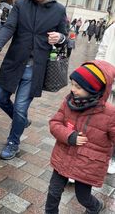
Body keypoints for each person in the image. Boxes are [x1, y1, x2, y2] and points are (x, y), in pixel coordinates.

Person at [0, 0, 67, 160]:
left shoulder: (58, 10)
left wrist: (60, 38)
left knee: (21, 107)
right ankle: (21, 121)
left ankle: (13, 142)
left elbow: (66, 38)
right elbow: (8, 28)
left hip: (35, 68)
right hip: (13, 63)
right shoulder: (21, 5)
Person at [45, 61, 115, 214]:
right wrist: (68, 135)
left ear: (93, 89)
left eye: (78, 86)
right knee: (53, 192)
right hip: (63, 156)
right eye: (72, 84)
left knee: (82, 197)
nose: (72, 89)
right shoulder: (68, 101)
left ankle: (96, 206)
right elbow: (54, 123)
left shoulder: (109, 113)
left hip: (87, 165)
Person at [95, 22, 115, 174]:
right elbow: (101, 53)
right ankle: (90, 159)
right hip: (108, 81)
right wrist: (102, 75)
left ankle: (112, 158)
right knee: (99, 122)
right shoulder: (112, 29)